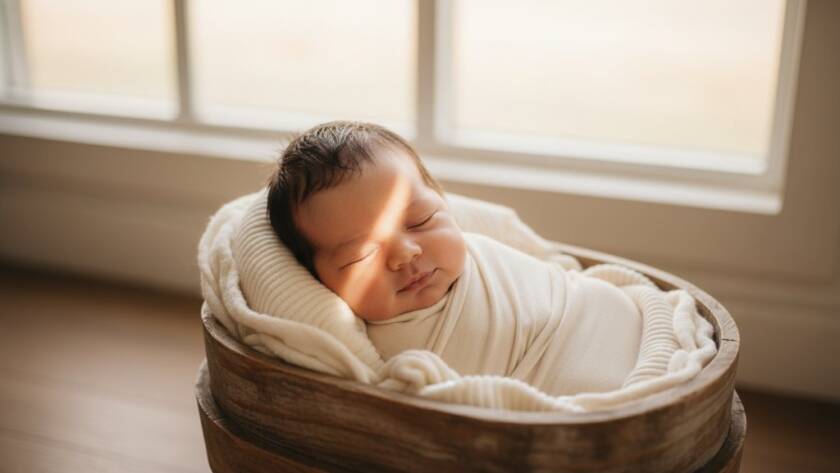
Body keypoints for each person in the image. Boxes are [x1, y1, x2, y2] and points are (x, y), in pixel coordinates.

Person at [267, 120, 645, 396]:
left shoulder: (484, 246)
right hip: (585, 399)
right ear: (318, 279)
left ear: (443, 202)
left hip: (619, 323)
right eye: (362, 255)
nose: (406, 253)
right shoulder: (373, 356)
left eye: (420, 219)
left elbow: (556, 274)